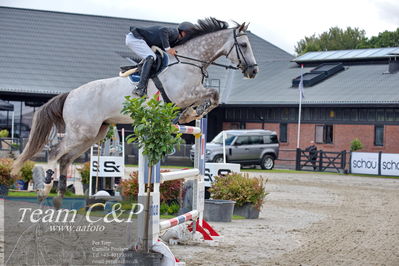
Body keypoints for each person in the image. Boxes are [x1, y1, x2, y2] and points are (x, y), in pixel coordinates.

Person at [125, 21, 195, 97]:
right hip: (135, 38)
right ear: (184, 32)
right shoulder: (174, 33)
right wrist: (168, 49)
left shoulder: (175, 39)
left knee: (154, 58)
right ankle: (140, 87)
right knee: (151, 57)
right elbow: (163, 30)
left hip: (141, 40)